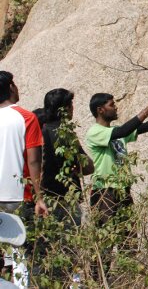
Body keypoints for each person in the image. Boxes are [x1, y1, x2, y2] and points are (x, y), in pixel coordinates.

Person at [86, 87, 148, 220]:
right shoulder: (95, 132)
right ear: (100, 110)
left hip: (123, 190)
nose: (116, 107)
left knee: (129, 237)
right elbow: (123, 131)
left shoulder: (116, 130)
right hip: (105, 191)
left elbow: (147, 127)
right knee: (107, 235)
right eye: (111, 105)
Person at [0, 72, 46, 286]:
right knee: (23, 252)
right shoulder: (27, 117)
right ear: (11, 87)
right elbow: (34, 160)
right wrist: (39, 198)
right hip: (19, 197)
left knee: (5, 257)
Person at [41, 88, 94, 213]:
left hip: (44, 199)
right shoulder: (65, 134)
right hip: (65, 200)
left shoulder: (41, 131)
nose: (73, 108)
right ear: (65, 108)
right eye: (71, 104)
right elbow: (88, 168)